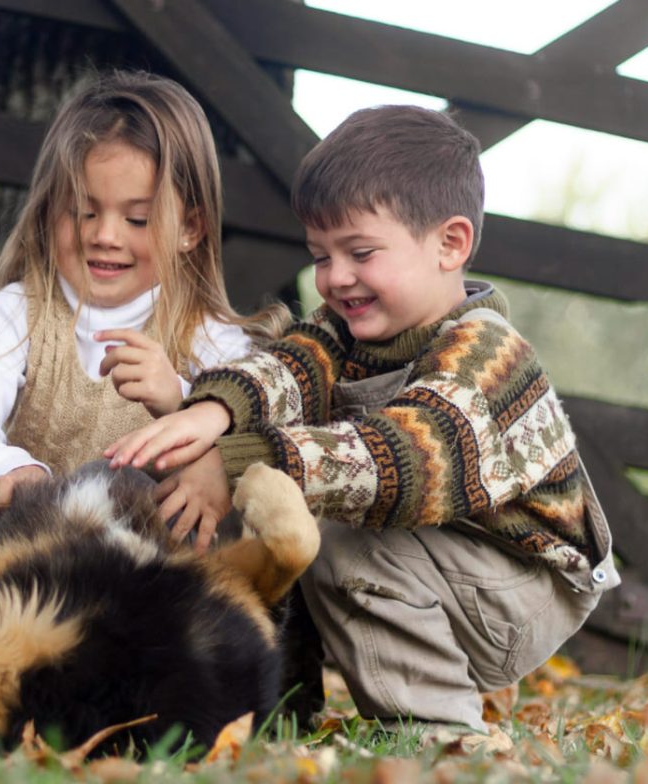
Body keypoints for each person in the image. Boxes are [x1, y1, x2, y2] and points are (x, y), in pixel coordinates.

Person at [105, 104, 620, 731]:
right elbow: (290, 368)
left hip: (524, 586)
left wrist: (237, 463)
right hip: (444, 560)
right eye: (320, 256)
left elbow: (401, 461)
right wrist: (214, 415)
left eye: (361, 252)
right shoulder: (344, 332)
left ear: (450, 244)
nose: (336, 278)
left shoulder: (488, 356)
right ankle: (278, 708)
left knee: (330, 526)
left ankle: (439, 735)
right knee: (285, 513)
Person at [0, 70, 283, 513]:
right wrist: (4, 465)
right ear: (50, 209)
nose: (105, 236)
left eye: (137, 220)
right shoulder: (19, 312)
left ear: (189, 229)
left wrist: (181, 399)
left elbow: (256, 446)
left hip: (145, 550)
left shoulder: (207, 336)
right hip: (31, 542)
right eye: (83, 211)